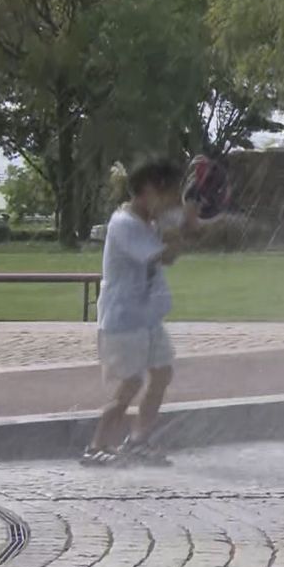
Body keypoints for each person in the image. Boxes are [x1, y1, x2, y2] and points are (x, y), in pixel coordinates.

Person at [81, 158, 200, 467]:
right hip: (124, 319)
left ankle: (138, 440)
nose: (174, 200)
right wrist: (183, 228)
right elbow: (166, 256)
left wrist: (190, 210)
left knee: (162, 373)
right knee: (131, 382)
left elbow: (184, 224)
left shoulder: (149, 218)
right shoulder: (124, 224)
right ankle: (96, 446)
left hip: (147, 317)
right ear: (148, 190)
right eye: (171, 193)